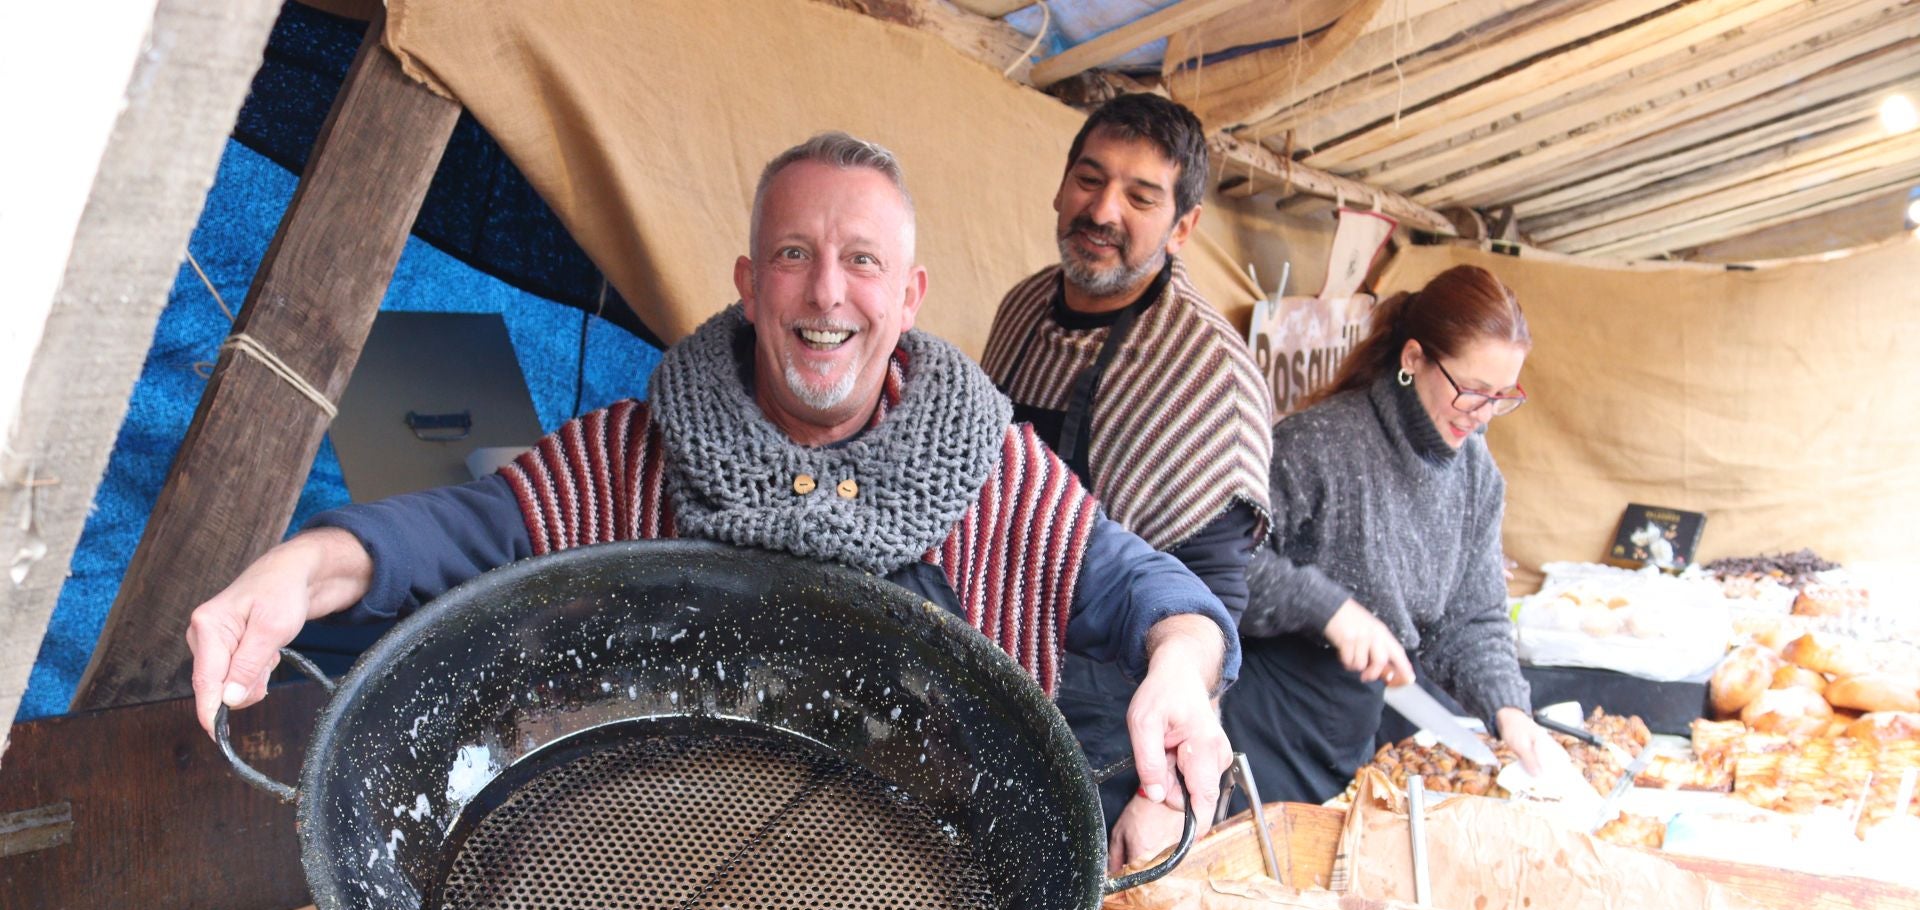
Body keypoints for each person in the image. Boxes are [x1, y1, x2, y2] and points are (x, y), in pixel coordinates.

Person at [187, 132, 1238, 854]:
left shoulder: (989, 466)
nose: (828, 292)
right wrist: (298, 568)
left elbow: (1157, 594)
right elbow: (454, 533)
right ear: (748, 281)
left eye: (862, 261)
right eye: (795, 255)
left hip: (928, 905)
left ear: (909, 297)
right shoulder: (637, 449)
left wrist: (1182, 673)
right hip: (658, 891)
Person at [980, 94, 1272, 857]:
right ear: (1060, 185)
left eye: (1141, 197)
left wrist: (1161, 791)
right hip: (994, 675)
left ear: (1183, 226)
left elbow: (1215, 601)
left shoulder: (1211, 372)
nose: (1103, 210)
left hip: (1117, 720)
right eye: (1089, 178)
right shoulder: (1021, 309)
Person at [1221, 264, 1562, 806]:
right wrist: (1327, 607)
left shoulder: (1476, 475)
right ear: (1413, 359)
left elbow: (1473, 618)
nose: (1485, 415)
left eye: (1502, 396)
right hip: (1264, 721)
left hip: (1361, 722)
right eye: (1472, 390)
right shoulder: (1318, 444)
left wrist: (1508, 708)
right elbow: (1218, 564)